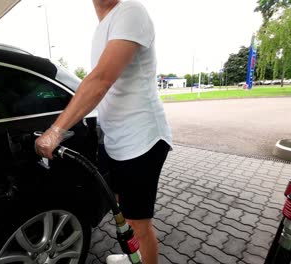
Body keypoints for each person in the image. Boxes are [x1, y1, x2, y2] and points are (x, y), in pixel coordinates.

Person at [35, 1, 172, 263]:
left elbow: (101, 79)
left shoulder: (131, 11)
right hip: (116, 139)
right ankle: (133, 255)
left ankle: (143, 256)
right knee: (121, 207)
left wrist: (55, 131)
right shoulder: (104, 26)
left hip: (142, 139)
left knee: (138, 222)